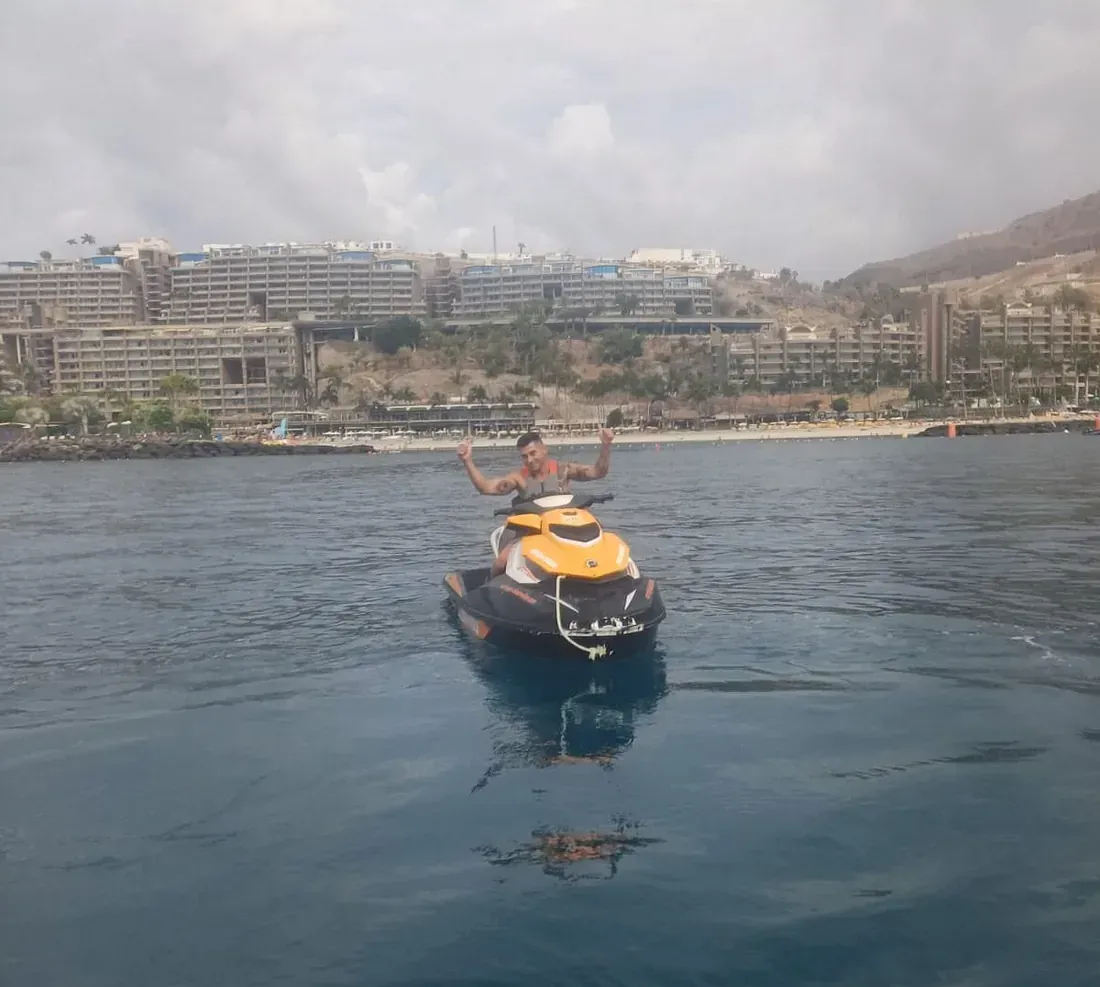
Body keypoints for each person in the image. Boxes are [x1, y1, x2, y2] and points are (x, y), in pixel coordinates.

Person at [457, 429, 615, 574]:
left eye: (533, 453)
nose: (530, 460)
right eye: (524, 456)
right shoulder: (519, 478)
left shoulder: (563, 470)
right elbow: (486, 488)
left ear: (544, 449)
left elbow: (598, 472)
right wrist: (467, 461)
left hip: (564, 528)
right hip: (530, 531)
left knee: (599, 534)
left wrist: (606, 445)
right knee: (502, 561)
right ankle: (492, 585)